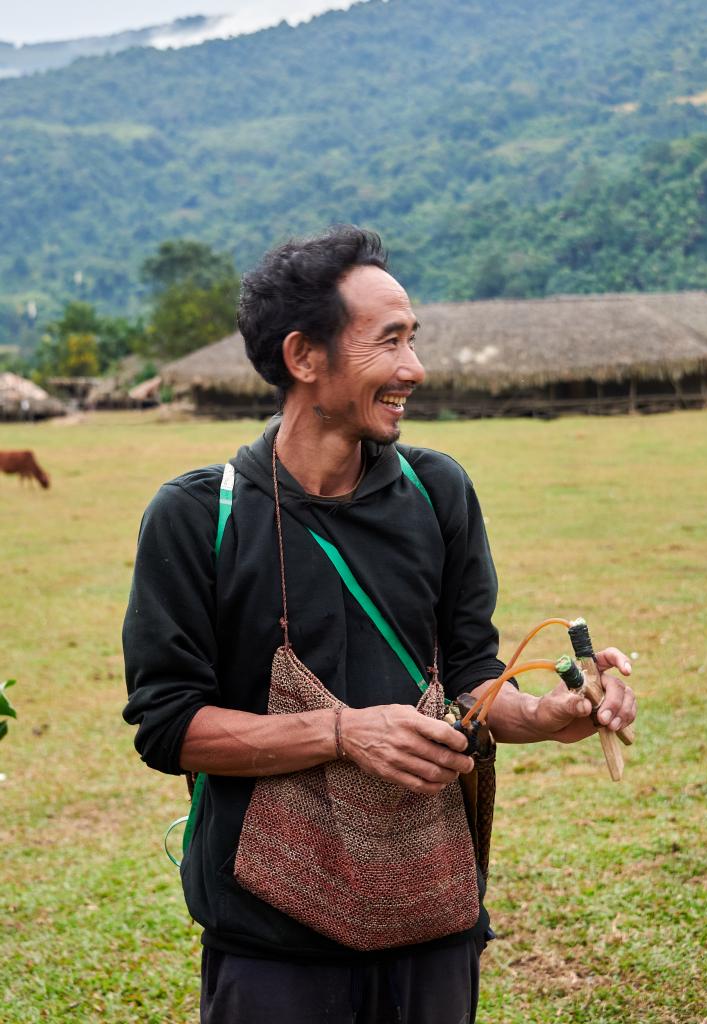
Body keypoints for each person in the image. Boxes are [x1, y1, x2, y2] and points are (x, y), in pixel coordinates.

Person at [122, 225, 636, 1024]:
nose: (414, 369)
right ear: (303, 357)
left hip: (432, 916)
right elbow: (169, 728)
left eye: (413, 340)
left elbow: (471, 672)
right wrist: (343, 733)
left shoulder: (439, 493)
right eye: (388, 341)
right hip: (270, 938)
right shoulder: (198, 516)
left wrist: (547, 714)